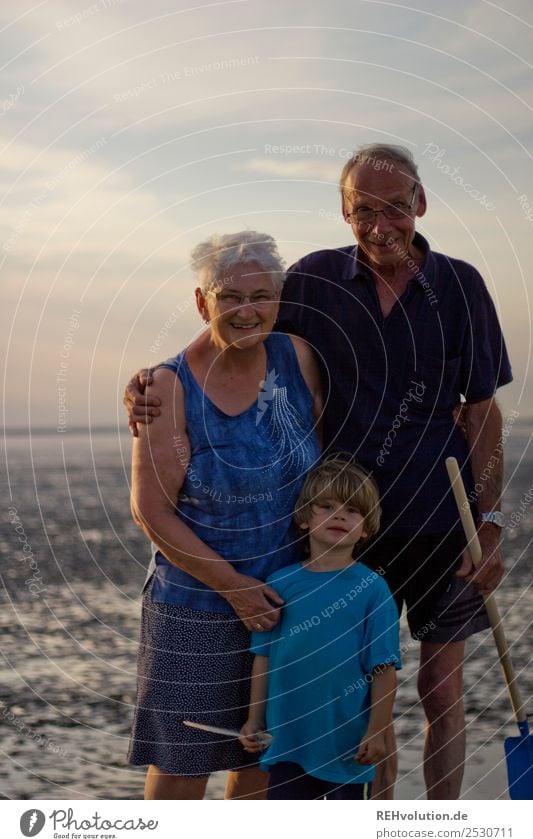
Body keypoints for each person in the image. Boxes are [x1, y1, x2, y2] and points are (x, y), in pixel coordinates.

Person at [124, 144, 512, 800]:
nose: (380, 222)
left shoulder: (455, 288)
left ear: (420, 202)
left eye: (395, 206)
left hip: (432, 526)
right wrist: (148, 382)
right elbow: (231, 331)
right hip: (323, 546)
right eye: (364, 209)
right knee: (318, 708)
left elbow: (482, 413)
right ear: (343, 211)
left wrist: (491, 516)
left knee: (434, 691)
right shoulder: (312, 282)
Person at [127, 230, 322, 800]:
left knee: (260, 763)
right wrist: (234, 587)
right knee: (183, 767)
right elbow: (152, 510)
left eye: (260, 296)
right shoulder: (168, 385)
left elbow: (326, 470)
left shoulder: (297, 358)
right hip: (194, 608)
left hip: (285, 601)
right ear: (201, 301)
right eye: (230, 297)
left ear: (278, 300)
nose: (246, 311)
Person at [239, 456, 401, 800]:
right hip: (288, 741)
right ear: (303, 519)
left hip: (346, 744)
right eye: (326, 506)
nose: (340, 515)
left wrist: (377, 732)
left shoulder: (372, 590)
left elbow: (384, 669)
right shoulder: (279, 585)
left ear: (366, 528)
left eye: (353, 510)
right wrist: (254, 719)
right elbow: (263, 658)